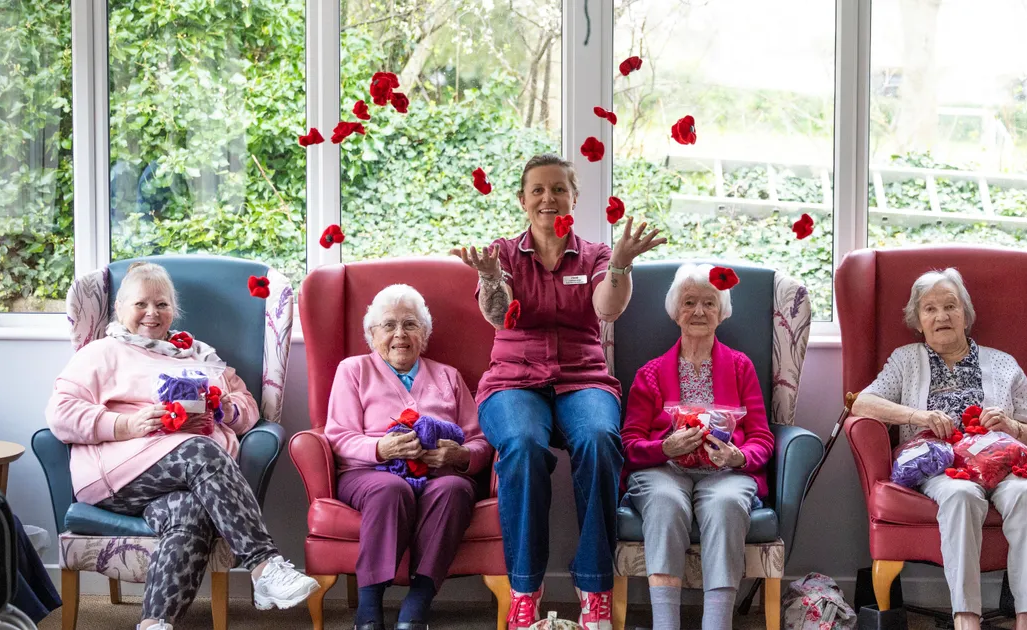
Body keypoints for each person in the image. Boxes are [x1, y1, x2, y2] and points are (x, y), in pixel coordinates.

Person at [452, 153, 666, 630]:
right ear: (522, 200)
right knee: (524, 446)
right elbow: (497, 312)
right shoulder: (504, 253)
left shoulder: (594, 255)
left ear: (574, 197)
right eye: (538, 190)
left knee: (598, 440)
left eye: (559, 189)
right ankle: (525, 588)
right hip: (513, 381)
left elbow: (606, 309)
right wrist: (489, 277)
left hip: (583, 378)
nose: (548, 198)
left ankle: (594, 588)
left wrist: (623, 266)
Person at [45, 262, 319, 630]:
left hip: (187, 478)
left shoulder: (199, 356)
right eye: (140, 304)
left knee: (189, 512)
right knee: (201, 451)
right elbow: (61, 413)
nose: (151, 313)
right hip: (120, 476)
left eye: (162, 304)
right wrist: (127, 423)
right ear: (120, 309)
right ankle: (264, 565)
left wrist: (222, 408)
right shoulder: (102, 353)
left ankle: (156, 622)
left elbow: (249, 409)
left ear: (174, 310)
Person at [849, 268, 1027, 630]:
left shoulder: (1004, 364)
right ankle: (966, 617)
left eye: (950, 306)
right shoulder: (906, 359)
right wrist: (918, 415)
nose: (941, 316)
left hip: (1002, 461)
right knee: (961, 496)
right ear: (918, 321)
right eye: (930, 309)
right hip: (942, 465)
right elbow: (863, 403)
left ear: (965, 314)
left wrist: (1011, 425)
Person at [325, 284, 493, 630]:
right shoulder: (353, 370)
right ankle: (368, 606)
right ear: (372, 335)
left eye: (410, 325)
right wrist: (379, 449)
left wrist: (459, 455)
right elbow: (338, 435)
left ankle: (418, 602)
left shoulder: (448, 376)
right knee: (391, 489)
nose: (399, 334)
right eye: (388, 325)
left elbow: (480, 441)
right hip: (369, 474)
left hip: (438, 476)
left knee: (454, 490)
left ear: (425, 334)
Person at [620, 263, 774, 630]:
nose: (700, 311)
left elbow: (762, 438)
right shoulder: (651, 373)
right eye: (689, 302)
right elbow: (629, 443)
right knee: (664, 502)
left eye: (709, 302)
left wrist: (739, 456)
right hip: (663, 471)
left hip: (725, 473)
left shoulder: (740, 367)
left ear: (722, 312)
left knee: (725, 505)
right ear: (676, 312)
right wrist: (665, 447)